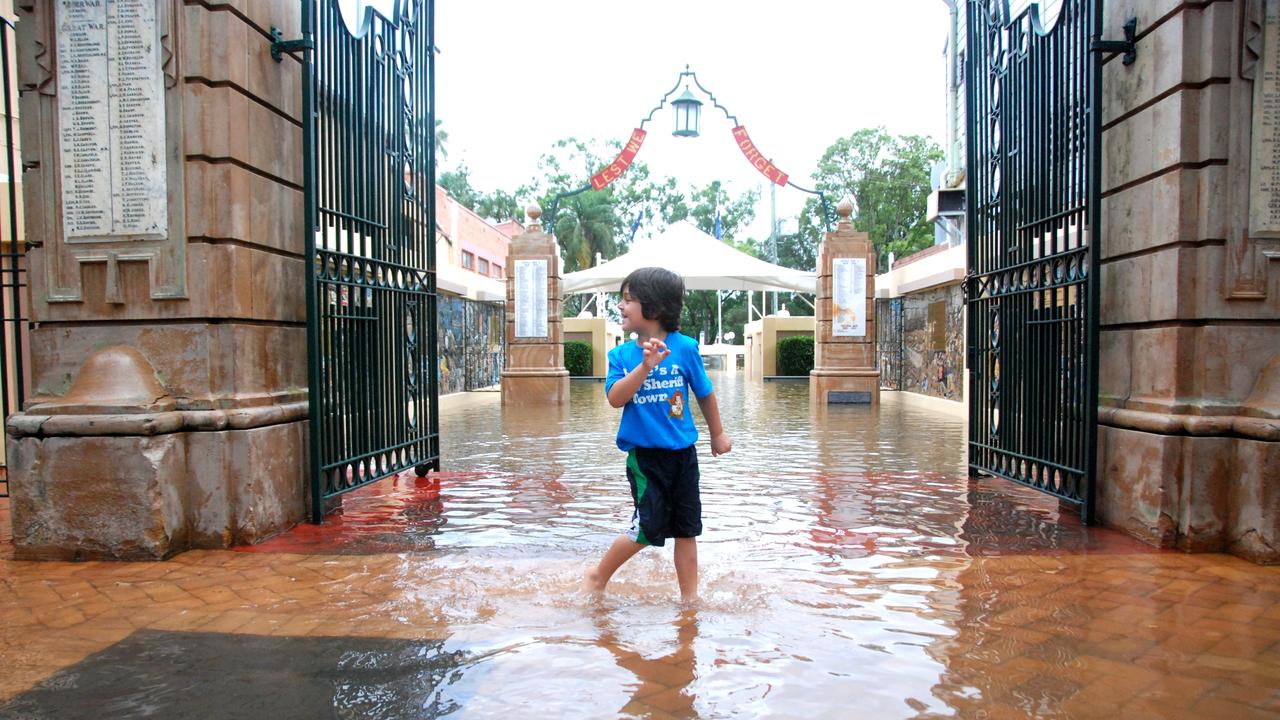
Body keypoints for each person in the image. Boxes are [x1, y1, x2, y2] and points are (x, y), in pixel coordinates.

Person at [583, 267, 732, 604]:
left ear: (653, 306)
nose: (620, 307)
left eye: (627, 299)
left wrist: (717, 434)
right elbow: (615, 398)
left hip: (683, 456)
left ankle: (689, 600)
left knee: (686, 529)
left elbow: (705, 393)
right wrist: (645, 366)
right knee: (648, 527)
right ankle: (598, 575)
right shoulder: (621, 356)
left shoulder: (685, 348)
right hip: (645, 459)